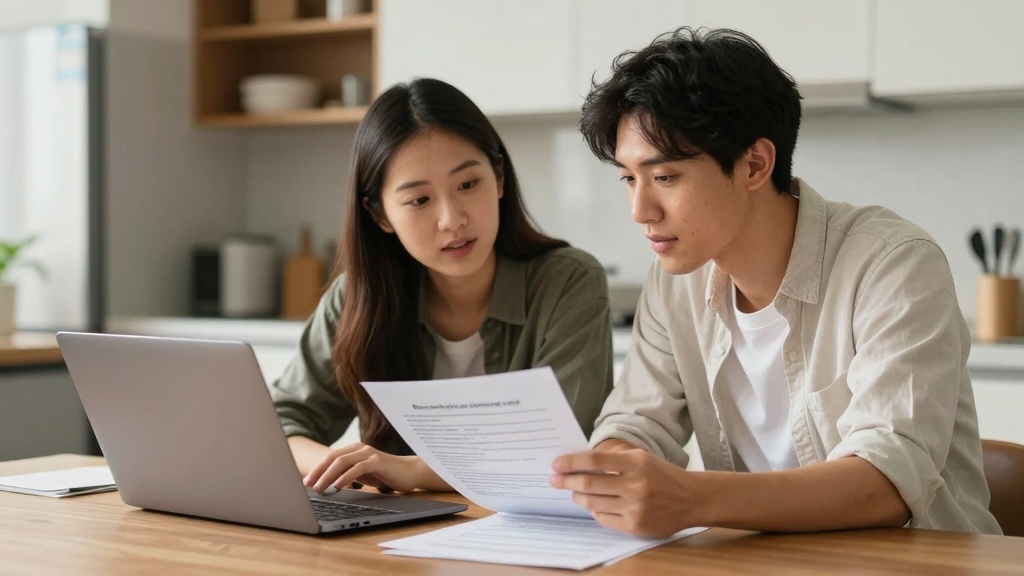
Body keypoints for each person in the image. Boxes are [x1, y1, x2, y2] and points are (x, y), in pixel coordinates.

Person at [549, 27, 1002, 537]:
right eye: (629, 178)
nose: (640, 211)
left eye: (665, 177)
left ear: (754, 164)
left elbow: (885, 482)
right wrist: (613, 468)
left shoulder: (894, 265)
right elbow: (637, 423)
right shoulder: (675, 278)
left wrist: (690, 497)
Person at [270, 77, 614, 495]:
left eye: (468, 185)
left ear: (499, 178)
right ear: (380, 216)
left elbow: (561, 450)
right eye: (419, 200)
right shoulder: (356, 298)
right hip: (395, 540)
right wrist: (344, 466)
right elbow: (277, 423)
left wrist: (411, 471)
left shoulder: (568, 281)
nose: (452, 219)